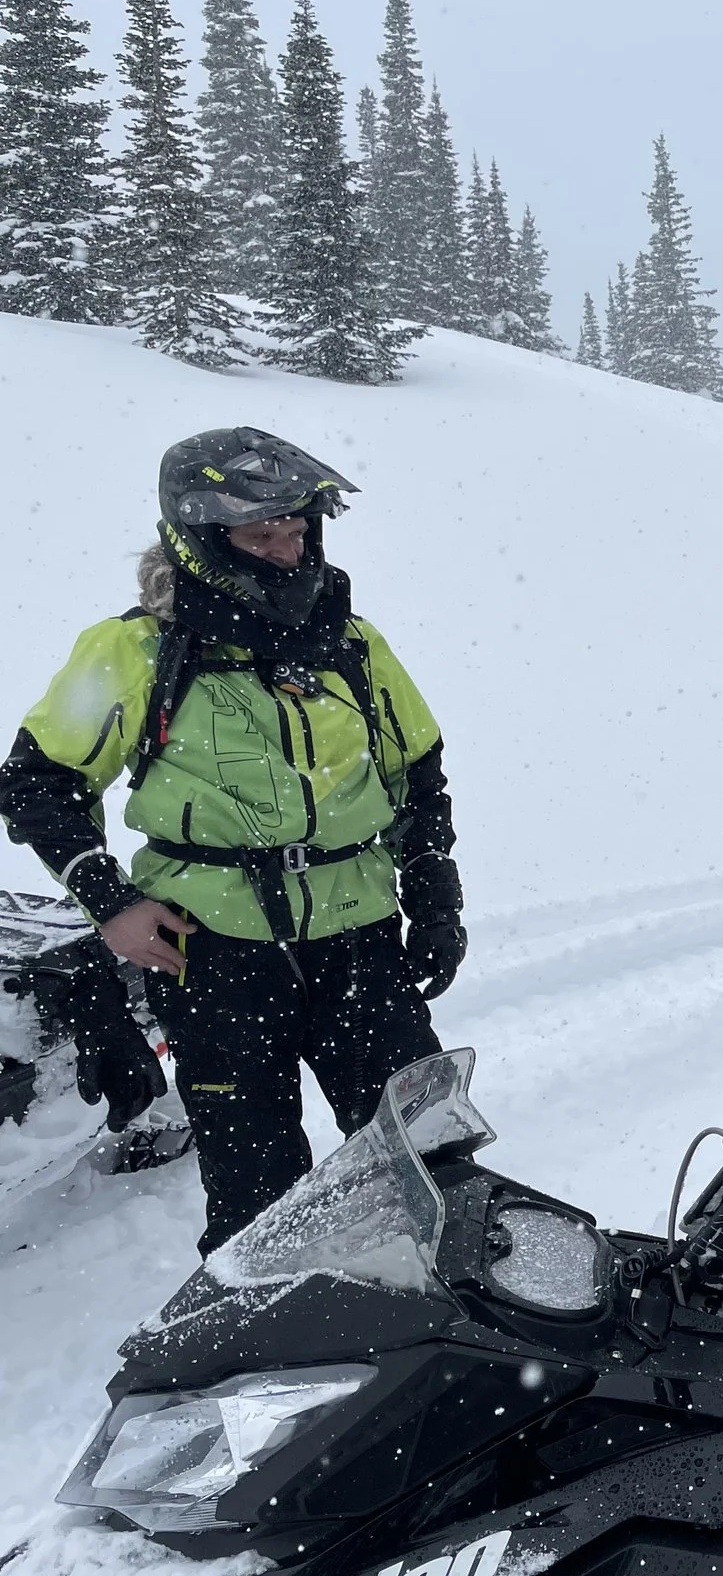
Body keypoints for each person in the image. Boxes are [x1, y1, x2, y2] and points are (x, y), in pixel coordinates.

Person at [0, 428, 467, 1254]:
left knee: (431, 1159)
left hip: (360, 942)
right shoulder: (138, 649)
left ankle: (464, 1340)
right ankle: (271, 1367)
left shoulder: (352, 645)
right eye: (262, 535)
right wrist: (110, 902)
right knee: (259, 1200)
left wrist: (433, 888)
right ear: (202, 540)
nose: (288, 552)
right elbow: (38, 784)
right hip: (215, 955)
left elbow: (416, 771)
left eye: (298, 531)